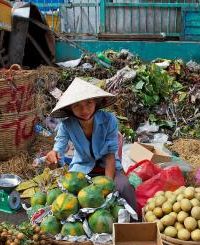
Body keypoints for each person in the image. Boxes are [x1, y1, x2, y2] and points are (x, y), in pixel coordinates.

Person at [44, 78, 137, 212]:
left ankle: (135, 224)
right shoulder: (66, 125)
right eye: (77, 105)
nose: (84, 109)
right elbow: (58, 148)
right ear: (70, 108)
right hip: (82, 168)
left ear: (96, 102)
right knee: (67, 200)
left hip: (109, 167)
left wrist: (106, 186)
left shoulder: (109, 120)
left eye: (89, 103)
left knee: (124, 187)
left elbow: (110, 156)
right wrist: (53, 157)